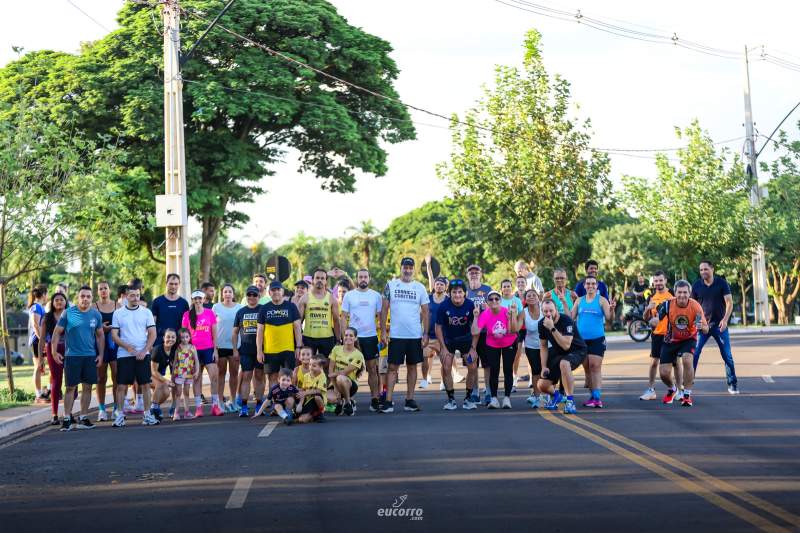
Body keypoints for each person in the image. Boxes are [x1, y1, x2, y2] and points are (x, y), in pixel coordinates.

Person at [50, 286, 104, 431]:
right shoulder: (68, 313)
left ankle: (83, 418)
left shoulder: (96, 315)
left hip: (90, 356)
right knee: (70, 388)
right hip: (72, 356)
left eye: (88, 296)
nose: (85, 299)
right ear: (77, 297)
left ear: (91, 298)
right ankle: (67, 418)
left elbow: (100, 336)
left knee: (88, 387)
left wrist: (101, 354)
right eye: (82, 296)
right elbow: (56, 332)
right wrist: (54, 352)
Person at [380, 257, 429, 413]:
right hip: (396, 335)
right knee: (392, 367)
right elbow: (384, 309)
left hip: (414, 335)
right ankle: (388, 401)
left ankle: (410, 400)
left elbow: (426, 311)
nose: (407, 270)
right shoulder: (391, 285)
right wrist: (383, 332)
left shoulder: (420, 287)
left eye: (410, 268)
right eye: (405, 267)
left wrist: (426, 333)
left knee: (412, 367)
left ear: (413, 269)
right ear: (400, 268)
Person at [652, 280, 709, 407]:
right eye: (679, 292)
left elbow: (705, 329)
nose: (682, 295)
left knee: (687, 360)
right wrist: (653, 321)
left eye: (685, 292)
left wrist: (702, 327)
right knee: (664, 373)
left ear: (689, 293)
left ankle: (687, 395)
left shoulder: (695, 307)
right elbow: (657, 318)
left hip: (688, 339)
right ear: (675, 293)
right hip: (670, 340)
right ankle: (673, 389)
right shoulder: (668, 304)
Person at [111, 285, 158, 427]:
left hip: (143, 354)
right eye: (132, 295)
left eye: (137, 295)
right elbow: (114, 335)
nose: (135, 298)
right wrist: (127, 347)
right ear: (126, 296)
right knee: (121, 386)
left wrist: (144, 350)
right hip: (124, 355)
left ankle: (147, 415)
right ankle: (120, 416)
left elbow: (153, 334)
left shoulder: (146, 312)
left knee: (145, 384)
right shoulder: (118, 313)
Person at [691, 260, 739, 394]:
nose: (703, 272)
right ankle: (688, 384)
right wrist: (697, 323)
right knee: (694, 354)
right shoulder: (696, 285)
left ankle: (732, 383)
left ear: (712, 269)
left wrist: (725, 320)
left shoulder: (721, 283)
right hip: (703, 327)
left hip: (719, 325)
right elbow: (694, 306)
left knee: (727, 355)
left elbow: (729, 302)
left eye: (705, 269)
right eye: (701, 270)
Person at [341, 268, 383, 412]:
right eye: (360, 277)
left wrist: (383, 335)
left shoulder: (376, 296)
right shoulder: (349, 295)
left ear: (369, 278)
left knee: (373, 369)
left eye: (365, 276)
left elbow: (381, 317)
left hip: (370, 337)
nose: (363, 279)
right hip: (353, 339)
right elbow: (343, 317)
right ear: (357, 279)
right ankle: (348, 400)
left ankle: (375, 399)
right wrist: (344, 336)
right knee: (349, 370)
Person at [537, 299, 587, 415]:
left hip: (577, 350)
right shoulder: (541, 324)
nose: (548, 314)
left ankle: (570, 401)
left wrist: (552, 328)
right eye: (545, 311)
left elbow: (566, 345)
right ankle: (558, 396)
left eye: (551, 310)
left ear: (556, 310)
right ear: (542, 312)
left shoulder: (566, 320)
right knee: (542, 385)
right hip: (559, 352)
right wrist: (544, 366)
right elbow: (543, 346)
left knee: (564, 363)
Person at [572, 277, 615, 408]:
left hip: (597, 339)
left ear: (597, 286)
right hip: (581, 340)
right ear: (584, 286)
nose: (590, 286)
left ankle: (597, 397)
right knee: (587, 368)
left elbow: (609, 319)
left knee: (594, 366)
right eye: (588, 283)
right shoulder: (579, 301)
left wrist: (612, 309)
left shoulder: (602, 300)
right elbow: (571, 317)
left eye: (593, 284)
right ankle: (593, 396)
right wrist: (563, 302)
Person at [435, 279, 478, 410]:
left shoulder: (470, 305)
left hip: (466, 340)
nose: (457, 295)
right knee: (446, 366)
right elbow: (438, 327)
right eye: (454, 292)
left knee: (472, 367)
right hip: (449, 341)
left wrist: (473, 348)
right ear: (450, 293)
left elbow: (476, 329)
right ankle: (451, 399)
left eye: (460, 292)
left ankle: (468, 398)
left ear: (464, 293)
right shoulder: (444, 306)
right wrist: (443, 348)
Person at [473, 290, 518, 409]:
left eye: (496, 299)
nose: (494, 301)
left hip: (509, 342)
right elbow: (475, 331)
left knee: (508, 369)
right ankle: (494, 398)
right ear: (487, 302)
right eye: (491, 299)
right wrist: (476, 317)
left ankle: (507, 398)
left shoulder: (507, 311)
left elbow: (513, 330)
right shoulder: (485, 314)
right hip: (492, 344)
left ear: (500, 301)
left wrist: (512, 317)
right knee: (494, 370)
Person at [257, 281, 302, 395]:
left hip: (288, 349)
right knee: (272, 377)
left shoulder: (291, 306)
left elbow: (297, 327)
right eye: (273, 290)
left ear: (282, 291)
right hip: (270, 350)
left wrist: (298, 347)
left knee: (290, 376)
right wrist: (259, 351)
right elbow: (260, 331)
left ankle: (289, 400)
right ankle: (275, 401)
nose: (276, 292)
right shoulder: (264, 308)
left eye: (278, 289)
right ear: (269, 292)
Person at [182, 290, 223, 417]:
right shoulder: (187, 315)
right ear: (192, 300)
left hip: (209, 349)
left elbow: (214, 332)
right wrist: (186, 351)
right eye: (195, 299)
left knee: (214, 377)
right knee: (197, 379)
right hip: (193, 351)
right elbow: (184, 334)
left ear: (204, 299)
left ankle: (215, 406)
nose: (198, 301)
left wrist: (215, 350)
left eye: (200, 298)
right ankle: (198, 407)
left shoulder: (210, 313)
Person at [640, 271, 673, 400]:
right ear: (653, 282)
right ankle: (651, 390)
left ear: (665, 281)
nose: (658, 283)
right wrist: (648, 308)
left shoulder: (672, 294)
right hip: (657, 334)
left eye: (660, 280)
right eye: (656, 281)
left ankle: (679, 390)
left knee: (675, 363)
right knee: (654, 362)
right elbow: (645, 318)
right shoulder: (651, 297)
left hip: (671, 334)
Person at [232, 286, 263, 417]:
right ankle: (244, 407)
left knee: (259, 377)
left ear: (259, 296)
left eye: (254, 295)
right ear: (246, 296)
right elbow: (235, 332)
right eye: (249, 294)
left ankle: (259, 405)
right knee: (246, 377)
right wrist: (235, 349)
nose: (251, 297)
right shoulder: (241, 312)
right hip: (245, 350)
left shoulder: (263, 309)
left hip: (261, 350)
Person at [298, 268, 341, 361]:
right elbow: (298, 322)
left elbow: (336, 320)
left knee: (327, 365)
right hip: (308, 338)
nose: (320, 280)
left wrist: (338, 340)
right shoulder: (304, 298)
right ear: (312, 280)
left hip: (327, 338)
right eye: (317, 278)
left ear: (326, 281)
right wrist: (299, 340)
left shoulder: (332, 299)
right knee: (308, 365)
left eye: (322, 278)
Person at [213, 284, 243, 413]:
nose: (227, 294)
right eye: (225, 292)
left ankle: (233, 400)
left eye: (230, 291)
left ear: (233, 294)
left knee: (234, 374)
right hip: (220, 345)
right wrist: (214, 346)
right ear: (222, 294)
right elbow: (212, 326)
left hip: (235, 346)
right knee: (221, 374)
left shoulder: (239, 307)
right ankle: (220, 402)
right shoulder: (216, 307)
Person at [465, 264, 492, 405]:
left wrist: (488, 309)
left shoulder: (487, 290)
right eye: (471, 272)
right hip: (469, 333)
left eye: (476, 272)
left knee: (487, 364)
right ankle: (475, 392)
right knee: (472, 364)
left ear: (481, 274)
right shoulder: (464, 290)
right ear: (467, 275)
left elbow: (495, 308)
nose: (474, 274)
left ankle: (488, 391)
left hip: (485, 332)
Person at [94, 281, 120, 421]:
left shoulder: (118, 306)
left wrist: (113, 329)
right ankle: (102, 409)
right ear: (98, 292)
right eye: (101, 289)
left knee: (116, 376)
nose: (103, 290)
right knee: (101, 378)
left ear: (109, 290)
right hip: (100, 345)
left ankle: (116, 408)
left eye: (105, 288)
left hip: (115, 345)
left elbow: (123, 325)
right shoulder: (94, 307)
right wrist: (100, 328)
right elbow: (89, 325)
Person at [518, 289, 546, 408]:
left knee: (546, 371)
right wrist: (512, 316)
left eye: (534, 295)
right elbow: (515, 329)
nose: (531, 297)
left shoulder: (544, 309)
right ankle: (537, 396)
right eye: (528, 296)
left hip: (547, 345)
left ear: (538, 297)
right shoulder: (523, 312)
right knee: (536, 371)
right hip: (531, 346)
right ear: (525, 299)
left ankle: (547, 395)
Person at [328, 327, 365, 416]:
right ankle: (340, 402)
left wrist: (332, 375)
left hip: (350, 384)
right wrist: (335, 387)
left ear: (355, 338)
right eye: (346, 335)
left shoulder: (358, 355)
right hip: (335, 382)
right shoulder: (336, 349)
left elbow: (344, 372)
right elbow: (330, 369)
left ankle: (348, 403)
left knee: (341, 378)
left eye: (351, 336)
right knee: (329, 398)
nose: (348, 337)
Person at [42, 293, 67, 425]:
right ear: (52, 303)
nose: (59, 302)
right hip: (52, 350)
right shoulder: (47, 317)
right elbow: (42, 339)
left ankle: (68, 413)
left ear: (65, 302)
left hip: (70, 349)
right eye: (56, 300)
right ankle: (55, 414)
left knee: (72, 381)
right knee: (56, 381)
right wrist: (41, 358)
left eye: (61, 300)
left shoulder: (71, 315)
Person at [422, 265, 448, 389]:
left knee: (444, 361)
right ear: (434, 286)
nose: (439, 286)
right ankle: (424, 379)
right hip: (429, 335)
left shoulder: (448, 300)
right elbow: (422, 314)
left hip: (443, 337)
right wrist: (423, 332)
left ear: (445, 287)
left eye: (441, 284)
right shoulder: (428, 299)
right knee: (424, 359)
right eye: (437, 284)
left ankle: (443, 382)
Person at [500, 279, 524, 392]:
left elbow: (521, 317)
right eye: (504, 286)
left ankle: (513, 379)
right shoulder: (498, 300)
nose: (506, 288)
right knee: (499, 360)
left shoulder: (517, 300)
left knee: (514, 357)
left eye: (508, 286)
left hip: (513, 333)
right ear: (501, 289)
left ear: (511, 287)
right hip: (500, 333)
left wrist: (516, 328)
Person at [172, 328, 200, 420]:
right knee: (178, 393)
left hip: (189, 373)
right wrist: (172, 374)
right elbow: (175, 362)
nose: (185, 339)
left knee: (187, 392)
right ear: (180, 338)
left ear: (190, 337)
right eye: (182, 337)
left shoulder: (192, 347)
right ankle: (176, 412)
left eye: (187, 337)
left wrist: (197, 371)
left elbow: (196, 360)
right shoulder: (178, 348)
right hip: (179, 373)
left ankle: (187, 412)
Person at [150, 329, 178, 421]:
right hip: (146, 373)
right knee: (161, 384)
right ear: (163, 338)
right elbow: (153, 371)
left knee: (166, 393)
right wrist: (166, 380)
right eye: (168, 337)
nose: (171, 339)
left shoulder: (173, 351)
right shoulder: (158, 350)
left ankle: (154, 406)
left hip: (156, 375)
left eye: (173, 337)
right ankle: (153, 410)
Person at [27, 285, 48, 403]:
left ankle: (44, 392)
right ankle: (38, 395)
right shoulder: (36, 307)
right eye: (47, 293)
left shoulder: (39, 307)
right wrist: (42, 341)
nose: (47, 296)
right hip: (37, 341)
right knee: (38, 367)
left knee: (41, 367)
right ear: (43, 294)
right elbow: (36, 325)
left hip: (39, 340)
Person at [297, 355, 328, 423]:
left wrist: (305, 393)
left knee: (317, 397)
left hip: (319, 400)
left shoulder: (322, 376)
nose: (311, 367)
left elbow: (318, 391)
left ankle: (321, 413)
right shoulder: (306, 376)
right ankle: (314, 414)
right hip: (309, 400)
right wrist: (300, 404)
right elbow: (303, 390)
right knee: (302, 420)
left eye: (314, 366)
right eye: (310, 364)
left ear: (321, 367)